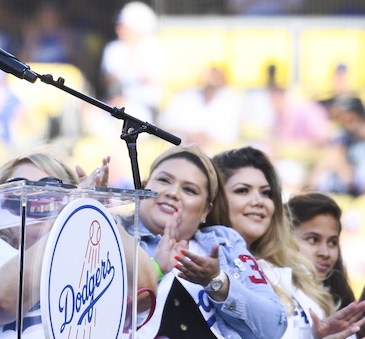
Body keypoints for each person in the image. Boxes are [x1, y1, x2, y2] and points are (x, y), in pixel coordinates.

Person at [0, 150, 153, 338]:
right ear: (0, 201)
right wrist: (72, 218)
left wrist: (95, 213)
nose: (36, 197)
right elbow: (1, 301)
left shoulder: (89, 255)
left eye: (50, 186)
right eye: (19, 187)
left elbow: (145, 295)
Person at [120, 143, 288, 339]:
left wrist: (216, 281)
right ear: (145, 186)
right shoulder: (114, 232)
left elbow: (274, 327)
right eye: (164, 180)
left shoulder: (225, 243)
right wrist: (156, 269)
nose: (173, 193)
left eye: (189, 190)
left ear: (206, 210)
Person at [213, 146, 365, 339]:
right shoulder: (196, 259)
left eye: (267, 193)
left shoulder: (295, 275)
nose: (258, 201)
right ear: (214, 200)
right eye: (243, 190)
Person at [286, 192, 356, 310]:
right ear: (285, 238)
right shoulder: (269, 291)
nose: (325, 253)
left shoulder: (343, 301)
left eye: (332, 242)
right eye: (313, 240)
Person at [100, 1, 164, 123]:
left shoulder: (152, 46)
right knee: (91, 110)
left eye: (123, 26)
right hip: (116, 103)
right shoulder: (113, 48)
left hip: (144, 106)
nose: (118, 29)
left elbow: (151, 79)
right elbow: (107, 79)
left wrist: (133, 60)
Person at [306, 95, 365, 196]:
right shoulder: (343, 137)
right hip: (332, 194)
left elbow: (356, 183)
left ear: (353, 115)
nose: (340, 121)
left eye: (343, 117)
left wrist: (338, 162)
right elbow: (312, 180)